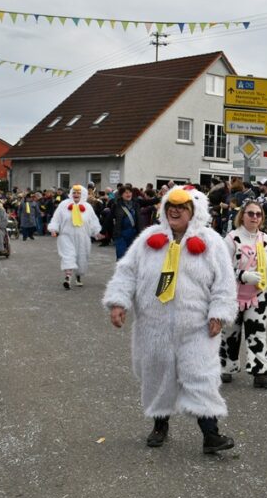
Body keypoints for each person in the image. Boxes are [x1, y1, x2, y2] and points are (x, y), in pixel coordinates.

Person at [102, 187, 238, 454]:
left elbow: (224, 282)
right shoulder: (148, 239)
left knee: (201, 376)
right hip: (154, 326)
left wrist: (219, 314)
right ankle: (159, 424)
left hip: (197, 327)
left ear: (195, 212)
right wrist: (118, 302)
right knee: (157, 375)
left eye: (182, 207)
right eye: (170, 206)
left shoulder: (211, 242)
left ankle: (211, 435)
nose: (174, 211)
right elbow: (127, 272)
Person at [220, 200, 267, 387]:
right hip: (232, 296)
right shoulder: (231, 239)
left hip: (257, 295)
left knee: (257, 334)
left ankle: (261, 373)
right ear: (242, 216)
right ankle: (226, 367)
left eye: (258, 214)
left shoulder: (264, 239)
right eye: (250, 213)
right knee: (230, 334)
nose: (254, 217)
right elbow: (222, 269)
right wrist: (243, 275)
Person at [48, 184, 102, 289]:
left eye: (78, 193)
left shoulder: (88, 207)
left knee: (81, 257)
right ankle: (68, 277)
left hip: (83, 237)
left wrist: (97, 232)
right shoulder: (63, 205)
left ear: (83, 195)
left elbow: (94, 221)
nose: (76, 194)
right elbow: (56, 218)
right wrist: (53, 229)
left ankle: (78, 276)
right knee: (68, 255)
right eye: (74, 192)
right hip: (66, 236)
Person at [111, 187, 140, 260]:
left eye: (130, 192)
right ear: (121, 194)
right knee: (121, 256)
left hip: (133, 233)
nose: (128, 194)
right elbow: (109, 218)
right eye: (126, 192)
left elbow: (150, 201)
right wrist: (102, 231)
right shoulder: (116, 205)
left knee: (132, 256)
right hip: (120, 233)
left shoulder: (136, 203)